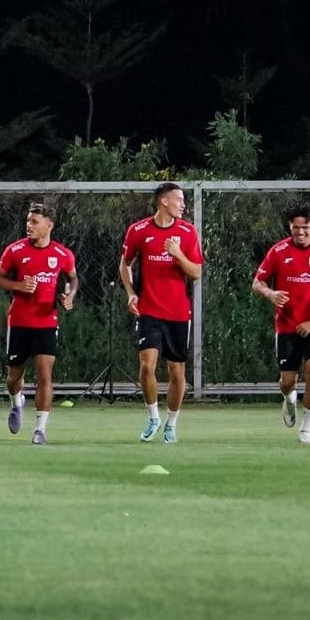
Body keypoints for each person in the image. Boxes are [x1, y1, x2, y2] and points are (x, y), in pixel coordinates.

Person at [119, 181, 204, 443]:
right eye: (179, 199)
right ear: (164, 201)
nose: (183, 204)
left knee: (177, 371)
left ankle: (171, 423)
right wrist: (131, 292)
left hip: (178, 312)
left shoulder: (188, 232)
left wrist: (178, 254)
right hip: (149, 310)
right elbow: (125, 264)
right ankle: (153, 416)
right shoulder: (139, 230)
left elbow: (196, 273)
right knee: (147, 366)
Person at [251, 202, 310, 444]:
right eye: (295, 228)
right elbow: (257, 283)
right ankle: (289, 398)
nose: (300, 233)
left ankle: (306, 431)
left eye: (305, 228)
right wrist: (270, 294)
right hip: (287, 325)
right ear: (290, 227)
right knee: (287, 381)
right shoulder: (278, 251)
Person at [0, 203, 78, 445]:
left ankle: (40, 429)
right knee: (13, 377)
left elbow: (72, 279)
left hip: (47, 321)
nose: (28, 226)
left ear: (49, 225)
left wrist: (68, 296)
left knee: (44, 374)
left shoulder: (62, 254)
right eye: (28, 221)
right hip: (19, 321)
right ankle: (16, 402)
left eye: (34, 222)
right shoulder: (15, 250)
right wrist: (19, 286)